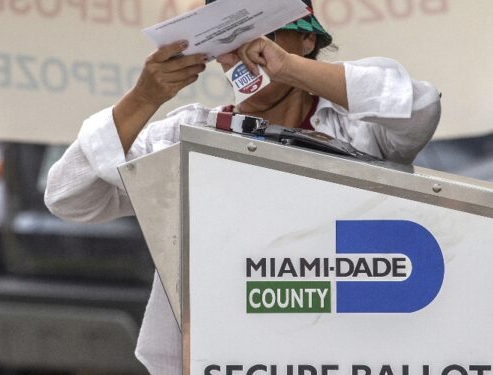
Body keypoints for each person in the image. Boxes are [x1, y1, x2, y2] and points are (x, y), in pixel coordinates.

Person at [45, 1, 441, 373]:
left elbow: (418, 108)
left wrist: (288, 69)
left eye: (264, 34)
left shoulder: (359, 132)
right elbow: (69, 196)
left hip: (348, 354)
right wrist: (143, 98)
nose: (245, 52)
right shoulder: (189, 138)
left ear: (308, 38)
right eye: (227, 40)